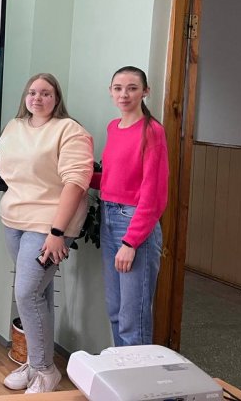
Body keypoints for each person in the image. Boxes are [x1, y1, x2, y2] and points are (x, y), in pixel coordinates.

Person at [0, 73, 93, 394]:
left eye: (46, 93)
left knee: (26, 293)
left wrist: (57, 232)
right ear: (25, 97)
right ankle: (37, 361)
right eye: (32, 92)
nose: (38, 98)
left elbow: (76, 183)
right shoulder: (14, 127)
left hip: (49, 225)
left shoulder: (69, 130)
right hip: (14, 219)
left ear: (57, 98)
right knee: (39, 292)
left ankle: (44, 370)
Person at [92, 66, 168, 347]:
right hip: (109, 216)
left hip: (134, 224)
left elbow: (153, 193)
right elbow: (112, 179)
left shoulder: (152, 131)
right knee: (115, 310)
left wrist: (131, 242)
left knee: (132, 317)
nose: (124, 94)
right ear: (110, 92)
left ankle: (137, 374)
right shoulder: (113, 127)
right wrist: (77, 176)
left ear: (145, 92)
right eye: (118, 88)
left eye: (132, 88)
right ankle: (122, 370)